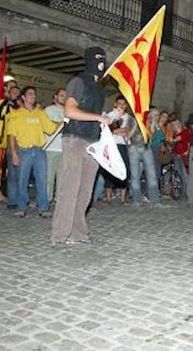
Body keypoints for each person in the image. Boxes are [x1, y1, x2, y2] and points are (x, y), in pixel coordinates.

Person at [51, 46, 117, 246]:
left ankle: (78, 233)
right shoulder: (78, 82)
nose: (101, 64)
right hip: (75, 138)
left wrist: (112, 117)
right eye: (98, 60)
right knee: (70, 188)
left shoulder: (101, 91)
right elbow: (70, 111)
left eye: (103, 60)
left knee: (85, 190)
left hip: (93, 142)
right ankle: (60, 235)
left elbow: (98, 118)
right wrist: (99, 117)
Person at [8, 86, 58, 218]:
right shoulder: (16, 114)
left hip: (39, 151)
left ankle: (43, 207)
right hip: (23, 150)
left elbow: (52, 128)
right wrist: (14, 153)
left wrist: (66, 120)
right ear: (23, 97)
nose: (33, 96)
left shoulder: (40, 113)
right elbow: (11, 136)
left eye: (34, 94)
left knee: (42, 179)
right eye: (30, 94)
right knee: (22, 180)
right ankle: (21, 206)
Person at [127, 114, 161, 206]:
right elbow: (128, 135)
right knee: (135, 176)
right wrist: (135, 124)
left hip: (146, 148)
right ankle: (137, 200)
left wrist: (149, 124)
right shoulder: (131, 118)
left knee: (152, 175)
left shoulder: (148, 118)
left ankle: (155, 200)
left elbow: (152, 136)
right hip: (134, 149)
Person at [103, 96, 131, 203]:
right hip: (111, 145)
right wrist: (119, 130)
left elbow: (127, 132)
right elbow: (107, 130)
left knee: (124, 169)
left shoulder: (129, 118)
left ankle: (123, 198)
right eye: (119, 103)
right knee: (109, 169)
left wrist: (116, 130)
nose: (121, 106)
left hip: (123, 145)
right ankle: (108, 197)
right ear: (115, 104)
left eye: (124, 104)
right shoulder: (110, 115)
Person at [44, 88, 66, 203]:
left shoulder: (69, 111)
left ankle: (59, 199)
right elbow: (52, 128)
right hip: (51, 147)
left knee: (62, 177)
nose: (64, 97)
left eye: (65, 96)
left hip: (64, 148)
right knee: (49, 177)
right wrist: (64, 124)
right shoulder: (48, 110)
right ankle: (47, 199)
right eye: (62, 95)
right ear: (55, 97)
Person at [170, 118, 190, 197]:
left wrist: (187, 152)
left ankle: (187, 192)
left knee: (185, 174)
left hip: (183, 155)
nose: (174, 126)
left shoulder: (184, 132)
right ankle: (182, 191)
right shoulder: (175, 133)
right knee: (179, 174)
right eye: (173, 125)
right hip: (176, 155)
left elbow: (188, 142)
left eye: (175, 124)